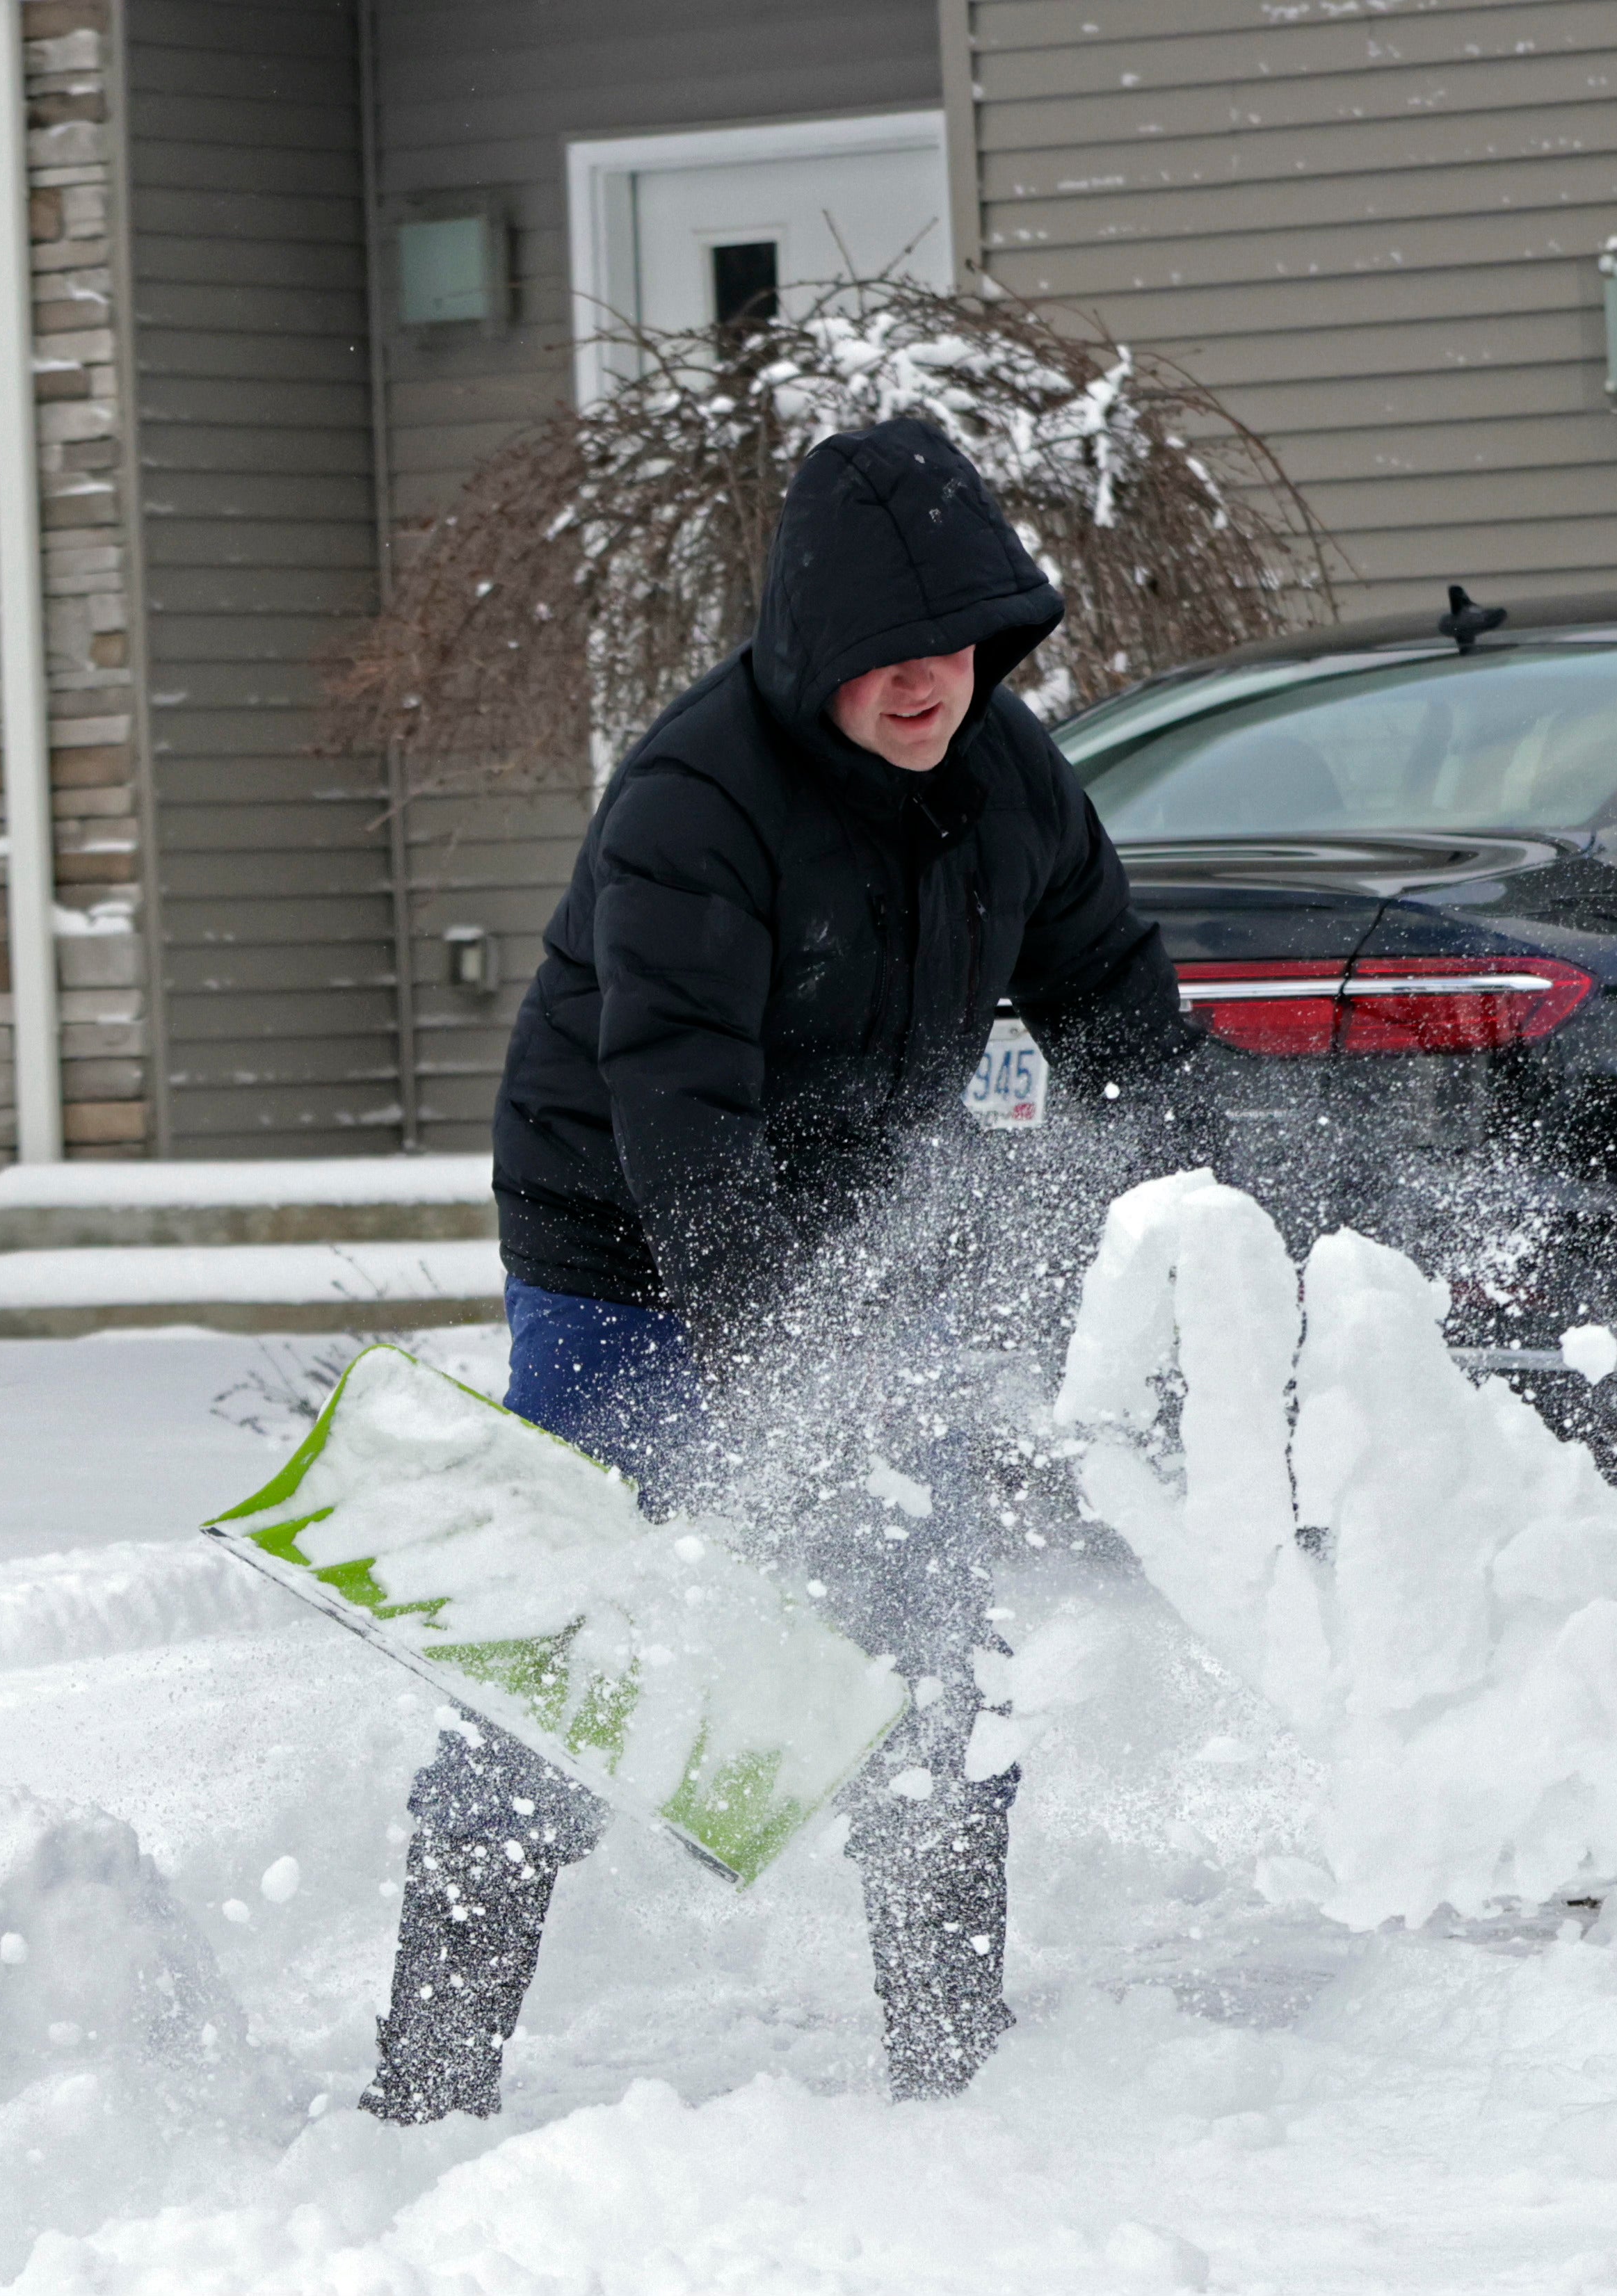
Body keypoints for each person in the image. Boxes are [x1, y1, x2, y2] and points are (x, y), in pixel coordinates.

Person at [360, 416, 1199, 2124]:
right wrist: (774, 1374)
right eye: (888, 654)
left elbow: (1112, 990)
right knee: (571, 1636)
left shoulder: (1008, 780)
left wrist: (1176, 1210)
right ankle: (430, 2078)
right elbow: (677, 1116)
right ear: (814, 644)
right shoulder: (694, 801)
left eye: (953, 646)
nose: (924, 685)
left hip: (857, 1229)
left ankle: (950, 2065)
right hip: (620, 1241)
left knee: (921, 1642)